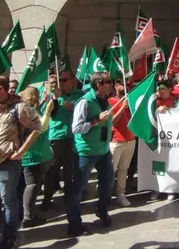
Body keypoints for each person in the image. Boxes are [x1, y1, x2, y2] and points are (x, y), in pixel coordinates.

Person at [0, 76, 42, 248]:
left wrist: (22, 151)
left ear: (0, 89)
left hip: (7, 162)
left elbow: (38, 126)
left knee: (8, 201)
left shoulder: (19, 107)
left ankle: (8, 237)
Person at [68, 72, 115, 236]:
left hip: (103, 150)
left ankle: (102, 211)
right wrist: (96, 121)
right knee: (79, 189)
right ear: (98, 85)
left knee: (108, 183)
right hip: (86, 153)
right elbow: (76, 128)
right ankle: (74, 224)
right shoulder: (85, 102)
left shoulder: (105, 100)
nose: (111, 84)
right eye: (108, 82)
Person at [14, 86, 55, 228]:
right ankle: (28, 216)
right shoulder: (28, 113)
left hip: (33, 155)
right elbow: (40, 128)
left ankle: (23, 213)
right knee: (31, 186)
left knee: (26, 186)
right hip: (31, 156)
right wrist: (48, 112)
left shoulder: (26, 111)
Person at [42, 70, 83, 210]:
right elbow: (45, 113)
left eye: (65, 80)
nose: (62, 83)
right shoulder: (52, 95)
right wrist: (54, 98)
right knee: (52, 169)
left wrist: (73, 108)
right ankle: (47, 198)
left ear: (72, 81)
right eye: (61, 80)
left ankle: (69, 197)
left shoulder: (80, 95)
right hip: (56, 136)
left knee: (69, 169)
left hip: (72, 137)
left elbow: (85, 111)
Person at [109, 79, 135, 207]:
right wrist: (121, 108)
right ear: (115, 86)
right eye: (119, 83)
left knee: (123, 169)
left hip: (130, 140)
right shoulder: (111, 102)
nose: (123, 86)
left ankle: (120, 194)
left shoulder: (131, 99)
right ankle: (106, 194)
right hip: (116, 141)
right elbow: (111, 122)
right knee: (110, 170)